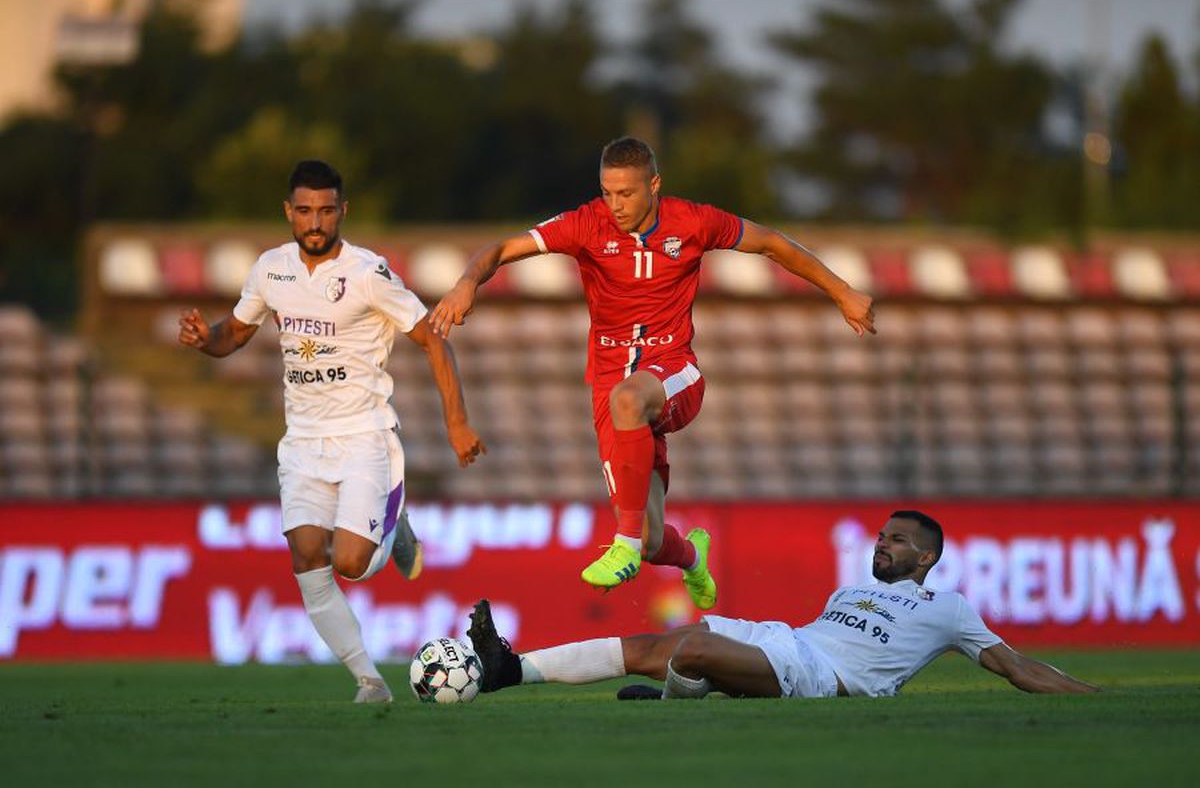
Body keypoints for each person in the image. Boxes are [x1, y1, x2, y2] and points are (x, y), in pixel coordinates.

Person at [430, 136, 876, 607]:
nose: (615, 205)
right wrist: (465, 283)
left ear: (654, 185)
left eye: (626, 193)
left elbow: (769, 243)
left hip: (674, 371)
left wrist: (842, 291)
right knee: (649, 537)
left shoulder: (694, 221)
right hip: (610, 386)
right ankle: (691, 559)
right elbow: (501, 249)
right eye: (607, 192)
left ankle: (619, 544)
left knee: (629, 404)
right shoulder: (586, 224)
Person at [179, 160, 485, 703]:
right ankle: (369, 680)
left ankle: (395, 532)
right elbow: (236, 333)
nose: (314, 221)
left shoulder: (369, 273)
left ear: (343, 210)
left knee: (351, 563)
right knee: (305, 557)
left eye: (325, 210)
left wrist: (456, 422)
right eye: (304, 211)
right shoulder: (270, 270)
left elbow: (434, 340)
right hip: (302, 442)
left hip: (364, 435)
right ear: (288, 212)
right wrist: (207, 338)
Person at [464, 511, 1099, 700]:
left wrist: (1093, 697)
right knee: (658, 643)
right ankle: (506, 670)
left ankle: (684, 694)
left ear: (927, 558)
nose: (883, 544)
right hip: (787, 641)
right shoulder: (850, 590)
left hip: (827, 679)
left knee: (694, 651)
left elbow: (1016, 667)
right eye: (881, 535)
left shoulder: (950, 607)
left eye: (898, 541)